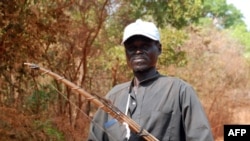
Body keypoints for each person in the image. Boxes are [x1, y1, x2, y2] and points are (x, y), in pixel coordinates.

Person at [88, 19, 214, 141]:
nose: (138, 51)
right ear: (126, 52)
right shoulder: (113, 96)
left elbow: (201, 137)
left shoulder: (179, 91)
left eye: (145, 46)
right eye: (131, 47)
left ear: (159, 48)